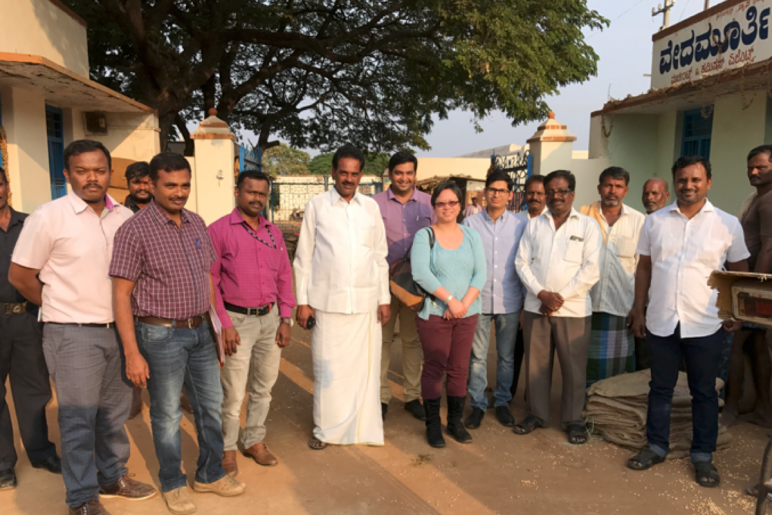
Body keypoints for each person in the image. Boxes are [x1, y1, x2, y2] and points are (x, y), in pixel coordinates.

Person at [9, 140, 155, 515]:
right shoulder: (48, 217)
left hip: (118, 332)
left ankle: (112, 476)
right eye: (82, 170)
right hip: (71, 335)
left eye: (99, 170)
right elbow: (21, 275)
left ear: (110, 174)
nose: (92, 178)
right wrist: (59, 305)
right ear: (67, 174)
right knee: (78, 418)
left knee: (113, 414)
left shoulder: (124, 217)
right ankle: (82, 498)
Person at [110, 152, 245, 515]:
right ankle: (172, 482)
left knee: (209, 407)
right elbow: (121, 294)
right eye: (170, 185)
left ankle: (211, 473)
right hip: (160, 335)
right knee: (167, 414)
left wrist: (217, 326)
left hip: (201, 330)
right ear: (151, 185)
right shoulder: (134, 230)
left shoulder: (197, 223)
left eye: (185, 185)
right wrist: (132, 352)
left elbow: (207, 278)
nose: (179, 192)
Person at [627, 155, 749, 488]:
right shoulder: (655, 222)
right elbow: (645, 268)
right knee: (660, 389)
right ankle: (656, 445)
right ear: (674, 183)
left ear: (708, 182)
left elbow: (739, 272)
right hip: (661, 320)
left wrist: (736, 312)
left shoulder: (727, 224)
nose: (688, 185)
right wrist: (639, 308)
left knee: (704, 392)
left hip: (706, 322)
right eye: (682, 179)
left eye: (696, 179)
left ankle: (702, 456)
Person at [294, 143, 391, 450]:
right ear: (333, 172)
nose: (349, 179)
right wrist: (302, 301)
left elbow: (380, 257)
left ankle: (363, 428)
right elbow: (304, 257)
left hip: (365, 305)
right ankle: (326, 430)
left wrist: (384, 298)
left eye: (354, 173)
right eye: (343, 173)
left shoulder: (371, 208)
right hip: (327, 304)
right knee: (328, 371)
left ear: (361, 175)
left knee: (363, 370)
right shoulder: (317, 205)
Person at [209, 170, 296, 475]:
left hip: (270, 320)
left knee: (264, 387)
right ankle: (228, 447)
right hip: (236, 322)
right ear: (238, 192)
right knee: (233, 392)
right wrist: (224, 325)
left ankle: (254, 439)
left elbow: (284, 277)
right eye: (251, 192)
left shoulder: (273, 233)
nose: (257, 198)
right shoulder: (219, 231)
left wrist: (286, 318)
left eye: (262, 193)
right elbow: (211, 281)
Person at [514, 170, 601, 445]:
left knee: (574, 369)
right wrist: (541, 293)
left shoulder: (587, 226)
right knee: (536, 366)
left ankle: (573, 420)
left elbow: (591, 270)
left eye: (561, 191)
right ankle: (537, 415)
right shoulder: (534, 224)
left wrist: (558, 297)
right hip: (536, 307)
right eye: (550, 191)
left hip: (573, 311)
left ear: (572, 194)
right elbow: (521, 262)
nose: (555, 196)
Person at [0, 166, 61, 491]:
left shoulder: (31, 224)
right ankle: (2, 464)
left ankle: (40, 452)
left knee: (34, 390)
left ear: (6, 186)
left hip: (28, 317)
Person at [412, 181, 486, 448]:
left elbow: (481, 273)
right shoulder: (425, 235)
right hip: (434, 313)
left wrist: (462, 305)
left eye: (452, 202)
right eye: (441, 203)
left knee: (459, 369)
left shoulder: (471, 235)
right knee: (435, 367)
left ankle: (454, 422)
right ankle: (433, 426)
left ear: (460, 205)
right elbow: (420, 272)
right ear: (434, 206)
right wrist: (451, 302)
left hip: (467, 313)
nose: (447, 207)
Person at [462, 171, 527, 428]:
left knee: (506, 356)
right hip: (477, 300)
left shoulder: (520, 225)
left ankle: (501, 402)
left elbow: (523, 265)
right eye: (492, 189)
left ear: (510, 195)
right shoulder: (470, 225)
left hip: (509, 301)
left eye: (502, 190)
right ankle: (477, 404)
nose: (496, 194)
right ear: (485, 192)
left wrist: (523, 304)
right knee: (476, 356)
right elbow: (464, 263)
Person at [373, 151, 433, 422]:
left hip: (415, 286)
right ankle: (380, 396)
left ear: (415, 175)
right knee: (382, 341)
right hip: (382, 284)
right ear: (389, 174)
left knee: (412, 341)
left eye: (409, 173)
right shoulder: (374, 204)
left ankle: (411, 396)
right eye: (399, 172)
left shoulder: (428, 204)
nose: (404, 178)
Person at [722, 145, 772, 429]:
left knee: (733, 344)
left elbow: (768, 250)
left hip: (755, 284)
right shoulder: (758, 198)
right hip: (754, 283)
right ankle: (764, 409)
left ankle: (730, 408)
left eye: (761, 167)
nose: (753, 171)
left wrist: (749, 295)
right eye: (750, 166)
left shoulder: (769, 202)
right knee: (755, 347)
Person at [580, 167, 645, 386]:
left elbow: (642, 267)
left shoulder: (638, 221)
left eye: (618, 186)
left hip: (621, 307)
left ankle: (612, 413)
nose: (612, 191)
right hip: (585, 305)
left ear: (626, 190)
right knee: (583, 366)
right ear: (599, 188)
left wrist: (638, 307)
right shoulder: (582, 217)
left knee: (617, 371)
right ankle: (587, 413)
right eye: (608, 185)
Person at [510, 174, 547, 401]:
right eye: (531, 192)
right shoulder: (515, 222)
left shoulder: (553, 222)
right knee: (514, 351)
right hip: (518, 296)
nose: (535, 197)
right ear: (524, 194)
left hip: (543, 298)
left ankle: (533, 396)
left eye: (540, 193)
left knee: (539, 354)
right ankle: (508, 392)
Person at [635, 177, 671, 370]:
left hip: (667, 306)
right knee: (644, 360)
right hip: (644, 305)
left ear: (666, 195)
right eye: (646, 193)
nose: (649, 197)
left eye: (655, 193)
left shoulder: (674, 225)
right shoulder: (639, 222)